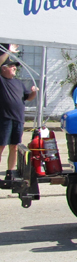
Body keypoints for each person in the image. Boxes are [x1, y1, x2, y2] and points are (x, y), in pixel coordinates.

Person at [0, 45, 38, 181]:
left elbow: (28, 98)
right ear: (3, 68)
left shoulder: (19, 83)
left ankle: (10, 172)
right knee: (1, 145)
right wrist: (8, 52)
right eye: (11, 66)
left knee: (14, 146)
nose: (14, 68)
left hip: (18, 119)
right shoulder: (1, 80)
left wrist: (33, 92)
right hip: (4, 118)